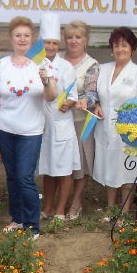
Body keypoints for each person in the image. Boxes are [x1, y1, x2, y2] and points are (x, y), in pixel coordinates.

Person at [0, 16, 57, 239]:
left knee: (25, 177)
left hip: (31, 132)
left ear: (33, 38)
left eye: (26, 35)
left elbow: (51, 97)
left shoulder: (43, 64)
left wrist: (46, 81)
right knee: (12, 176)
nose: (22, 39)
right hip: (5, 130)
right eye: (18, 35)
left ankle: (32, 225)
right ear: (11, 38)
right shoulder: (1, 66)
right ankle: (17, 218)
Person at [92, 27, 137, 218]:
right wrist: (97, 104)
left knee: (126, 170)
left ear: (132, 49)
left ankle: (124, 212)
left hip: (128, 130)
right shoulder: (103, 69)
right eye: (117, 45)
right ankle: (110, 209)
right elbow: (95, 93)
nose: (120, 49)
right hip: (104, 127)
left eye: (124, 45)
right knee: (109, 167)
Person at [38, 13, 79, 222]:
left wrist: (68, 103)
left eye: (54, 43)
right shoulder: (35, 64)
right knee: (48, 169)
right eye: (47, 42)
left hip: (63, 123)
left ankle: (61, 210)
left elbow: (73, 94)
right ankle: (47, 207)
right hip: (43, 123)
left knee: (64, 169)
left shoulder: (66, 66)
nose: (51, 47)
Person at [62, 20, 99, 220]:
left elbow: (93, 93)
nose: (74, 41)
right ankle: (60, 201)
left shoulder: (91, 65)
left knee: (81, 162)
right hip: (59, 121)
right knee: (63, 161)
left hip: (81, 120)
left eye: (78, 37)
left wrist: (85, 100)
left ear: (86, 40)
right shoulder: (58, 60)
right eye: (70, 37)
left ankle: (76, 201)